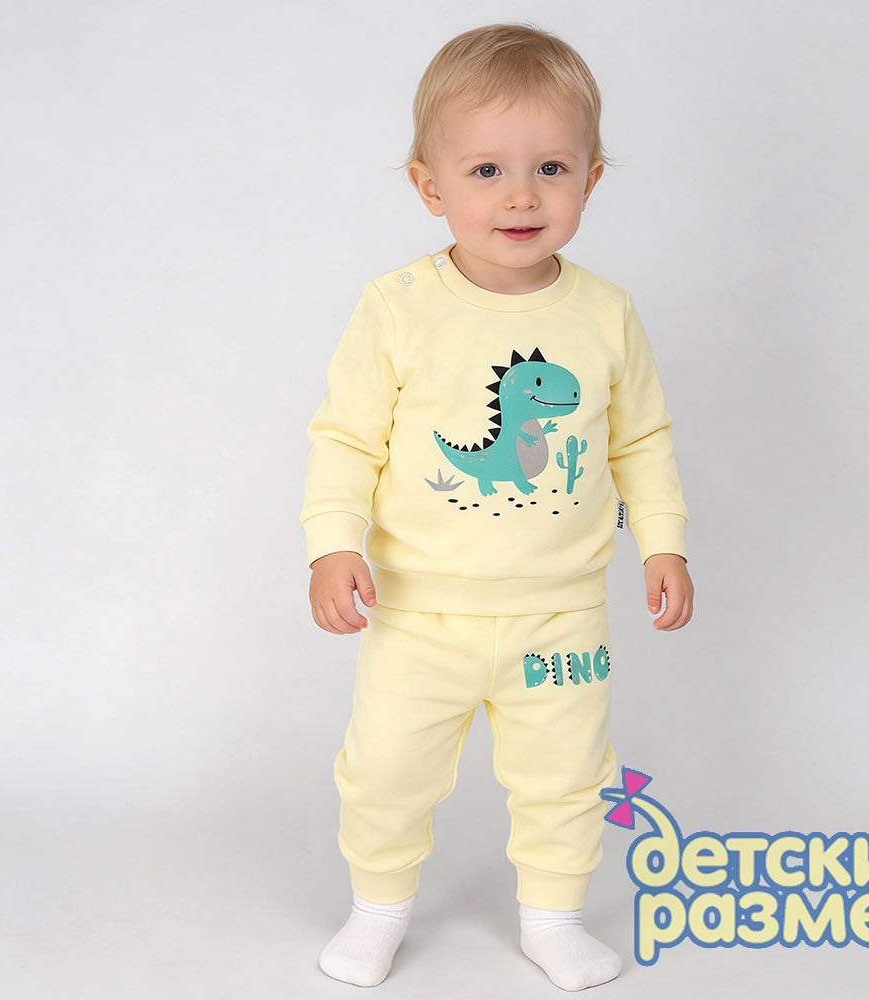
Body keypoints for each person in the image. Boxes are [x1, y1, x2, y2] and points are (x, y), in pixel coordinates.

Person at [300, 21, 694, 991]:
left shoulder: (605, 314)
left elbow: (639, 439)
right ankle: (378, 908)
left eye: (550, 168)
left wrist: (663, 542)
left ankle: (552, 920)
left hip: (560, 612)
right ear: (429, 185)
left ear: (590, 179)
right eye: (485, 170)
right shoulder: (396, 307)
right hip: (416, 611)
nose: (521, 195)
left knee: (567, 777)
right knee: (385, 773)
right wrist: (331, 543)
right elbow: (347, 439)